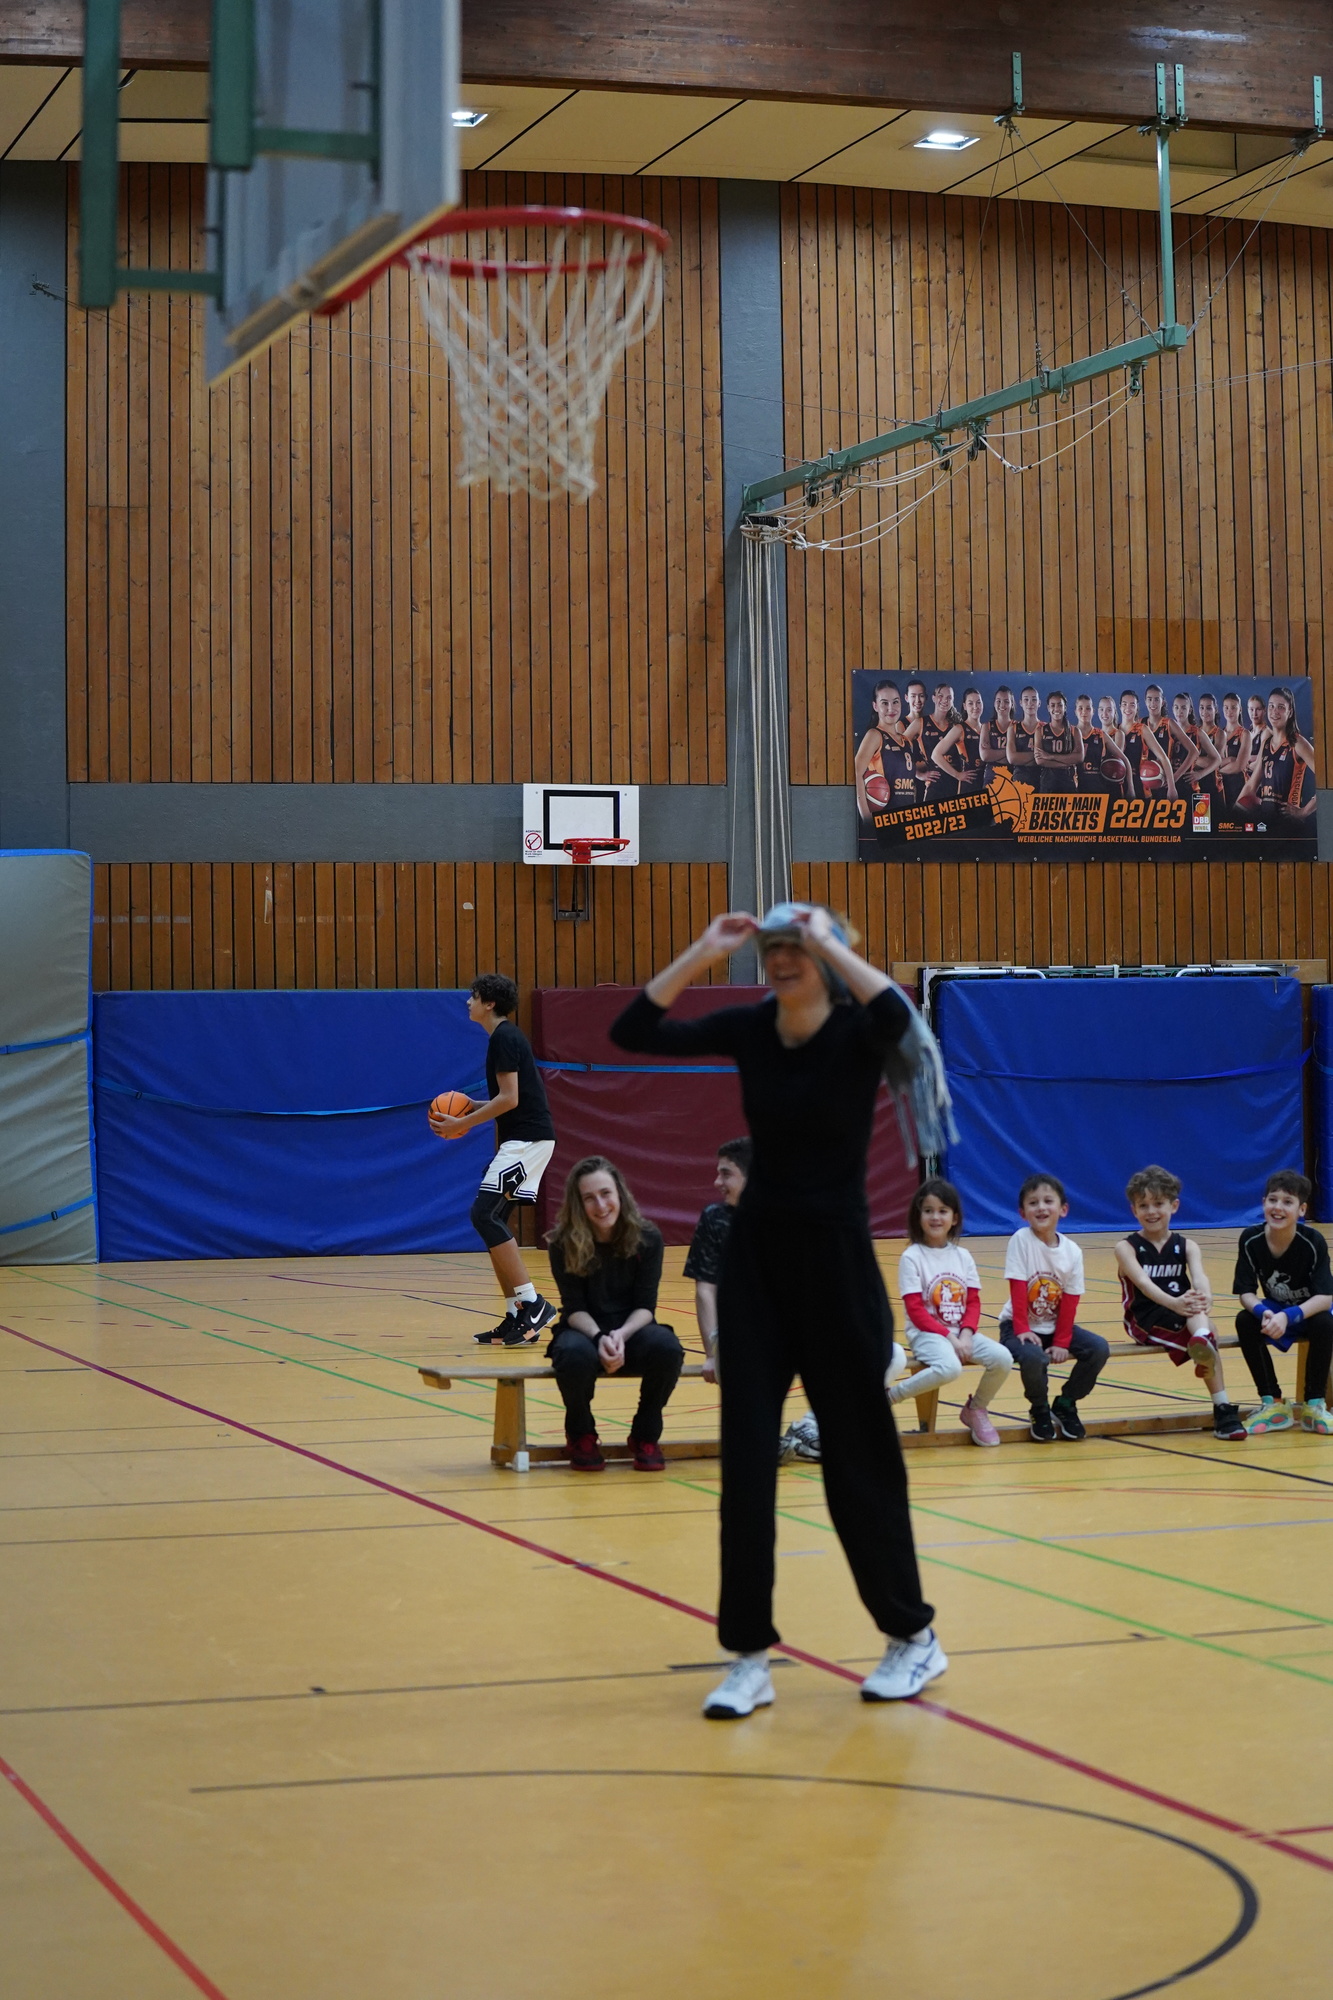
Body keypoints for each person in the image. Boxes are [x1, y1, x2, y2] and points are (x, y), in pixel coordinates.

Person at [611, 903, 947, 1718]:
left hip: (836, 1269)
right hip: (757, 1269)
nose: (782, 960)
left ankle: (912, 1637)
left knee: (857, 1465)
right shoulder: (751, 1028)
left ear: (825, 957)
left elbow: (899, 1016)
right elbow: (633, 1029)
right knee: (746, 1466)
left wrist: (829, 938)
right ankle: (748, 1657)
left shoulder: (859, 1030)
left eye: (797, 948)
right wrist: (704, 949)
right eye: (773, 949)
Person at [430, 972, 558, 1347]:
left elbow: (510, 1099)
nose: (468, 1002)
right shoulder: (503, 1037)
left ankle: (533, 1304)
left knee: (484, 1214)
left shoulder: (504, 1037)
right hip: (525, 1139)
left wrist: (462, 1122)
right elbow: (511, 1098)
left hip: (527, 1141)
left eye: (473, 997)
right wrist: (475, 1105)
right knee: (492, 1218)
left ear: (489, 1003)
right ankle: (516, 1313)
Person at [544, 1156, 684, 1470]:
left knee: (667, 1349)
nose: (600, 1205)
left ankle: (645, 1434)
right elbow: (574, 1308)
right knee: (572, 1355)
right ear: (578, 1204)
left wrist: (620, 1335)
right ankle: (581, 1433)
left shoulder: (648, 1237)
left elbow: (646, 1307)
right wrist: (599, 1338)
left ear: (619, 1193)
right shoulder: (562, 1243)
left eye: (606, 1193)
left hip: (632, 1330)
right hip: (584, 1330)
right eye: (589, 1198)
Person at [1114, 1165, 1245, 1440]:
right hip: (1144, 1318)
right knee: (1204, 1327)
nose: (1151, 1211)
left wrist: (1205, 1296)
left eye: (1158, 1203)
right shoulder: (1126, 1247)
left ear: (1173, 1206)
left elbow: (1199, 1277)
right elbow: (1144, 1284)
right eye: (1143, 1205)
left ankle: (1202, 1342)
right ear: (1134, 1210)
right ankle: (1221, 1407)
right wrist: (1175, 1303)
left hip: (1182, 1310)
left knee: (1197, 1310)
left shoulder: (1187, 1245)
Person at [892, 1178, 1012, 1446]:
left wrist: (966, 1334)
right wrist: (950, 1338)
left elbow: (973, 1302)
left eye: (943, 1211)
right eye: (928, 1211)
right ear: (918, 1216)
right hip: (927, 1334)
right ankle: (890, 1396)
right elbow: (915, 1310)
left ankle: (976, 1409)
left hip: (962, 1334)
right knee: (950, 1368)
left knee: (1003, 1358)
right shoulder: (912, 1257)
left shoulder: (963, 1256)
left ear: (954, 1218)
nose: (936, 1217)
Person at [998, 1172, 1109, 1441]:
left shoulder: (1072, 1252)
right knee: (1034, 1358)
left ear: (1063, 1209)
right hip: (1017, 1326)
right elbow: (1017, 1288)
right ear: (1023, 1213)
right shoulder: (1021, 1240)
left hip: (1055, 1326)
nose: (1041, 1207)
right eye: (1033, 1203)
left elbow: (1070, 1301)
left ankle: (1066, 1403)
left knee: (1098, 1348)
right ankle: (1039, 1409)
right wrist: (1023, 1329)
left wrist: (1061, 1341)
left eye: (1048, 1201)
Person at [1233, 1170, 1333, 1436]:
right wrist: (1263, 1312)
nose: (1278, 1207)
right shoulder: (1250, 1239)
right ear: (1263, 1202)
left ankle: (1314, 1405)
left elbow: (1325, 1298)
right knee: (1245, 1320)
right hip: (1274, 1310)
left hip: (1307, 1311)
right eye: (1273, 1200)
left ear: (1302, 1210)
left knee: (1325, 1322)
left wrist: (1288, 1316)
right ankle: (1273, 1403)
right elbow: (1245, 1292)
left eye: (1287, 1202)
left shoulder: (1313, 1241)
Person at [684, 1136, 752, 1382]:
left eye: (726, 1174)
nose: (717, 1182)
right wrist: (713, 1353)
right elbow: (705, 1289)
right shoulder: (714, 1218)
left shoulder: (790, 1215)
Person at [1236, 687, 1318, 830]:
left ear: (1290, 712)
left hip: (1288, 825)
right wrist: (1233, 814)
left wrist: (1303, 812)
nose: (1275, 711)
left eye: (1281, 707)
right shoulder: (1266, 744)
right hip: (1266, 823)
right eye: (1271, 706)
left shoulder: (1297, 743)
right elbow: (1251, 786)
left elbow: (1327, 777)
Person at [854, 680, 917, 822]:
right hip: (884, 819)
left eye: (895, 702)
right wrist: (867, 819)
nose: (891, 708)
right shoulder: (875, 735)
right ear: (875, 706)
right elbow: (856, 774)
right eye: (884, 703)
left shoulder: (906, 741)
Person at [933, 686, 987, 797]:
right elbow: (935, 755)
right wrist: (957, 775)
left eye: (978, 702)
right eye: (971, 703)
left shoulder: (986, 729)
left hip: (984, 784)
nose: (975, 707)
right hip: (967, 787)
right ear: (965, 706)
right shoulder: (959, 729)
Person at [1033, 688, 1083, 793]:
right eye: (1052, 705)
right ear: (1048, 708)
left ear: (1065, 708)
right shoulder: (1040, 731)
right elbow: (1040, 760)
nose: (1056, 708)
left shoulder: (1074, 731)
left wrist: (1050, 756)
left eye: (1060, 705)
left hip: (1068, 785)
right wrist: (1067, 762)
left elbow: (1079, 757)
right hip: (1048, 786)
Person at [1006, 685, 1043, 786]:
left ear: (1039, 703)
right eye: (1026, 699)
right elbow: (1012, 758)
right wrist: (1039, 756)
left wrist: (1021, 758)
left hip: (1042, 782)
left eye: (1034, 699)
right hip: (1020, 782)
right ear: (1020, 703)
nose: (1030, 703)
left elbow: (1048, 758)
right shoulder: (1013, 728)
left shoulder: (1045, 728)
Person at [980, 686, 1015, 785]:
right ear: (994, 703)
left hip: (1012, 777)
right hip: (992, 778)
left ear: (1012, 704)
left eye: (1006, 701)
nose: (1002, 705)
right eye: (998, 701)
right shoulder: (987, 726)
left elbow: (1018, 758)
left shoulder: (1017, 727)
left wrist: (994, 754)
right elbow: (985, 756)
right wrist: (1011, 753)